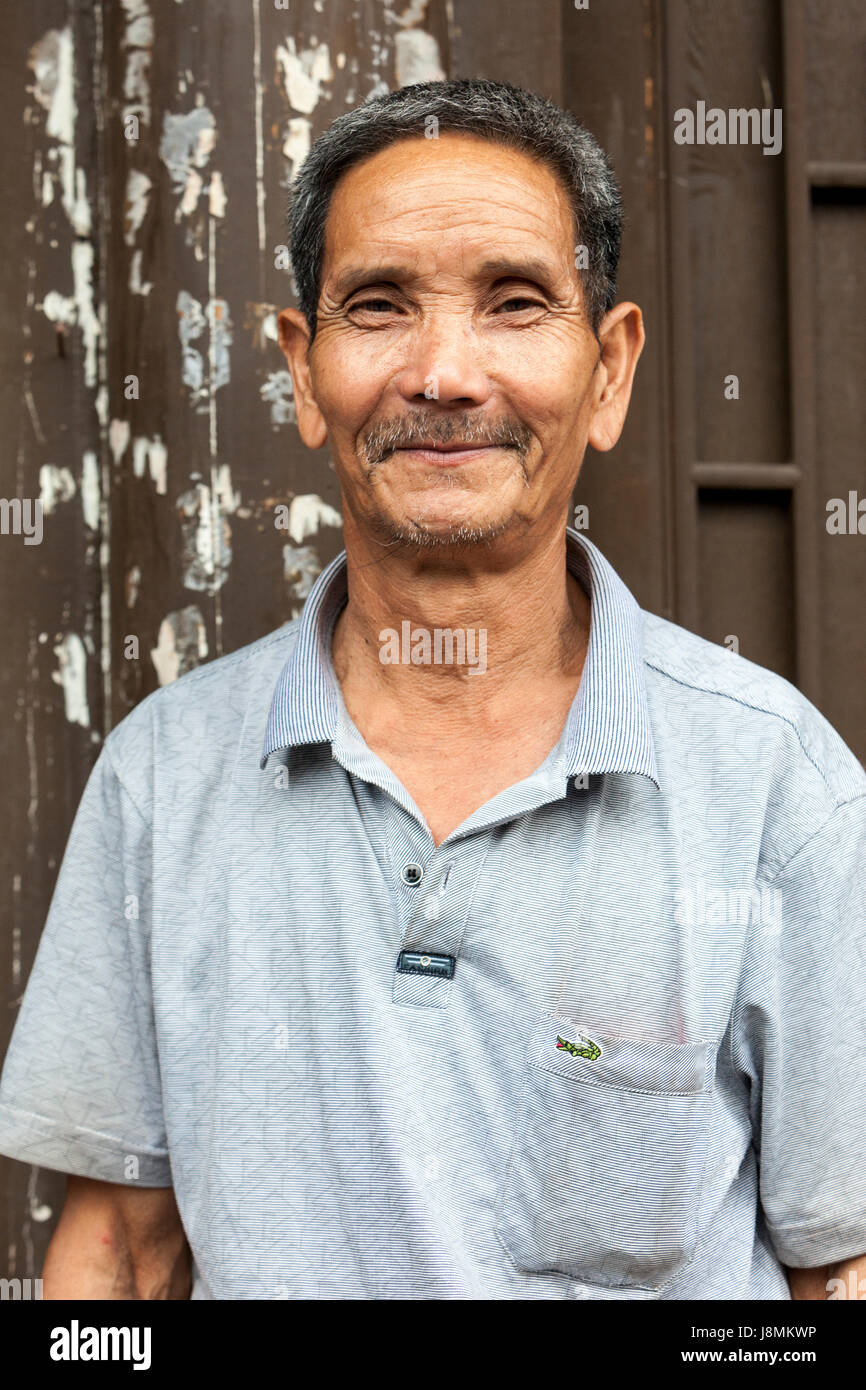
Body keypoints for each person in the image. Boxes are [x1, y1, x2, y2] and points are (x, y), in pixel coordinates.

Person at [1, 78, 864, 1301]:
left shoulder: (776, 790)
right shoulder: (164, 779)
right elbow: (120, 1265)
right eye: (377, 305)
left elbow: (839, 1275)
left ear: (607, 370)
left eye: (515, 303)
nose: (443, 373)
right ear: (303, 372)